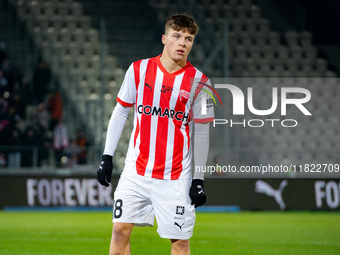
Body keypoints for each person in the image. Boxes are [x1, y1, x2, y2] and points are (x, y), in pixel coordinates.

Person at [97, 14, 214, 255]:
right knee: (119, 230)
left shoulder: (201, 83)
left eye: (189, 39)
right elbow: (120, 112)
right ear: (164, 38)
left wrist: (198, 180)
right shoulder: (138, 69)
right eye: (177, 36)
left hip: (176, 177)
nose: (182, 43)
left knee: (179, 242)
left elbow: (202, 133)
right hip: (136, 172)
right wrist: (107, 156)